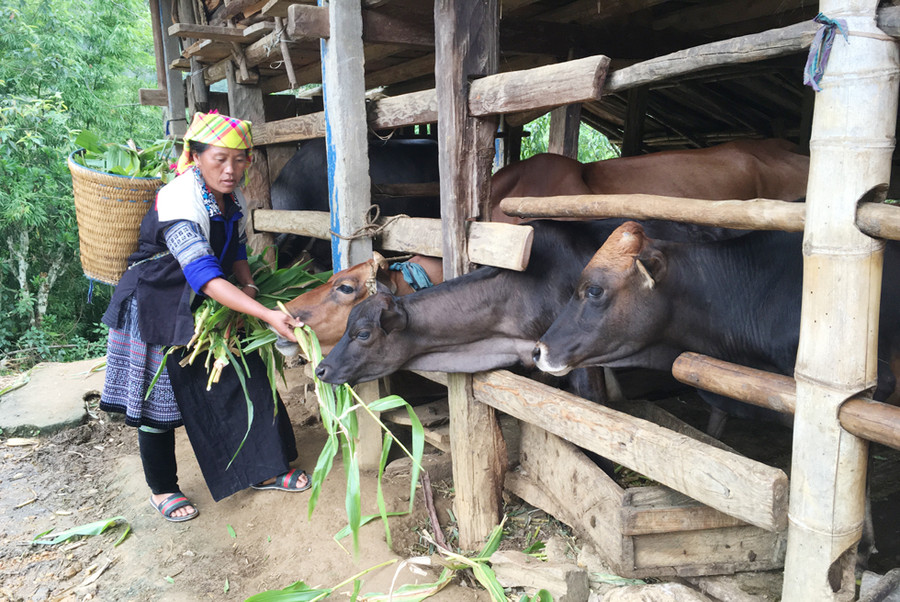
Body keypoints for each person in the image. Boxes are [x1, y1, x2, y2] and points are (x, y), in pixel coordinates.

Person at [100, 111, 310, 522]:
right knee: (158, 402)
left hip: (206, 299)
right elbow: (204, 275)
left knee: (243, 375)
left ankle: (263, 469)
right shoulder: (180, 198)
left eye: (239, 159)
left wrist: (249, 286)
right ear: (195, 157)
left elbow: (236, 249)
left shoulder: (232, 197)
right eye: (220, 159)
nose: (231, 170)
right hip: (156, 300)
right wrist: (265, 314)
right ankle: (162, 488)